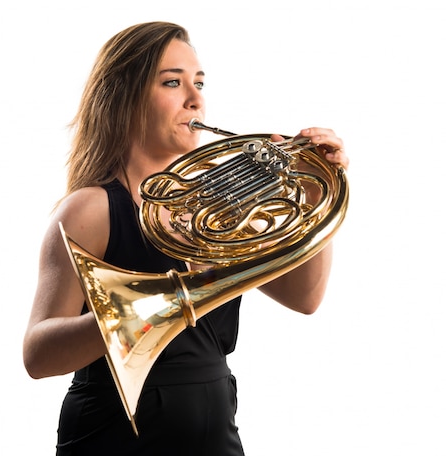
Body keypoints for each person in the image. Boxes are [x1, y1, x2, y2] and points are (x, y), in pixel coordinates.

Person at [22, 21, 349, 456]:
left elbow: (304, 298)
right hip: (112, 437)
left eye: (199, 83)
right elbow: (38, 354)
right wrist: (144, 313)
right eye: (173, 83)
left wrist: (310, 195)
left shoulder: (219, 205)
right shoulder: (92, 208)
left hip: (215, 434)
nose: (195, 99)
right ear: (126, 98)